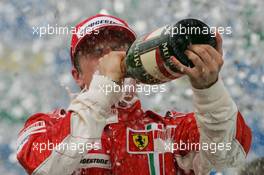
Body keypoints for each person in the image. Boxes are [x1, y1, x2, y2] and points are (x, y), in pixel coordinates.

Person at [17, 14, 252, 175]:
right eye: (97, 51)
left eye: (120, 48)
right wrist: (105, 88)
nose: (112, 57)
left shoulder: (171, 131)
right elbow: (45, 167)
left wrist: (209, 89)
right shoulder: (44, 127)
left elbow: (230, 154)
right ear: (76, 75)